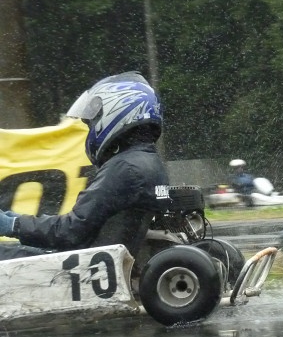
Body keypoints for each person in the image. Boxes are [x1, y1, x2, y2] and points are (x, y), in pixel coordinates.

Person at [0, 71, 170, 260]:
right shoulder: (148, 164)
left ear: (118, 110)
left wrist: (13, 225)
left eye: (91, 123)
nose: (91, 128)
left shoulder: (124, 169)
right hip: (98, 257)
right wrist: (15, 221)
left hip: (85, 264)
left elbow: (68, 231)